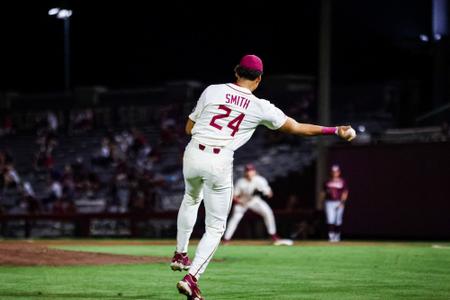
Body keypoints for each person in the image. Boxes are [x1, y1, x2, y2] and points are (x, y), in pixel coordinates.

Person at [170, 54, 356, 300]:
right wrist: (335, 130)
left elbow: (188, 129)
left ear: (237, 72)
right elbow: (297, 128)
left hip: (193, 153)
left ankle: (180, 253)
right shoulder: (260, 106)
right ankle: (191, 278)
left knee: (191, 199)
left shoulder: (212, 90)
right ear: (258, 79)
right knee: (215, 227)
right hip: (219, 159)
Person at [222, 163, 293, 246]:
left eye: (251, 171)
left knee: (268, 212)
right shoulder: (241, 182)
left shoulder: (260, 180)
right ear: (245, 172)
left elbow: (269, 193)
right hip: (242, 202)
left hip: (254, 201)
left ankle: (273, 235)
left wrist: (265, 193)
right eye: (248, 171)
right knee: (235, 219)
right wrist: (239, 202)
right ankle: (226, 239)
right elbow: (234, 196)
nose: (249, 173)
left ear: (254, 172)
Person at [320, 164, 349, 242]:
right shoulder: (327, 181)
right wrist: (321, 201)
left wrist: (342, 202)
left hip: (339, 202)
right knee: (330, 219)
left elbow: (345, 192)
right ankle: (331, 236)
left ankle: (337, 236)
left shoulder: (342, 181)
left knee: (338, 219)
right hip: (329, 202)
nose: (334, 173)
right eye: (333, 172)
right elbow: (323, 192)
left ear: (339, 172)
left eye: (336, 172)